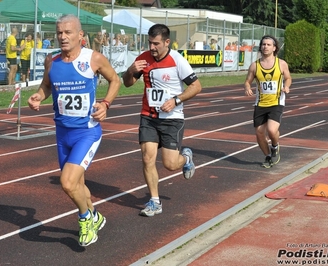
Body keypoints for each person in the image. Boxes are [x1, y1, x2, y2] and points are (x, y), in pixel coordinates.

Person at [27, 14, 120, 246]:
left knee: (67, 182)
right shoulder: (52, 61)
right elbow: (47, 85)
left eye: (68, 32)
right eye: (59, 32)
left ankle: (85, 219)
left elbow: (115, 80)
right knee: (77, 186)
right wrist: (39, 96)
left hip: (86, 132)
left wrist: (105, 104)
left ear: (80, 36)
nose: (62, 37)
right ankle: (96, 216)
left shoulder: (94, 59)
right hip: (62, 133)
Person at [122, 24, 202, 217]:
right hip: (148, 116)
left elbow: (196, 87)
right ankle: (154, 201)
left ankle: (186, 158)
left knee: (170, 164)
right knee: (147, 157)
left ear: (167, 42)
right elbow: (127, 83)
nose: (152, 47)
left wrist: (175, 100)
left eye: (156, 43)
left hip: (171, 118)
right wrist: (131, 70)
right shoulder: (143, 59)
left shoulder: (178, 61)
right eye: (150, 43)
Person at [244, 35, 292, 168]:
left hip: (276, 102)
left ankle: (275, 146)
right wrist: (247, 88)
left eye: (268, 45)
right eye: (263, 44)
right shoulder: (255, 66)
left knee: (271, 130)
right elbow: (247, 81)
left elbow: (288, 78)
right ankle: (268, 156)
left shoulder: (281, 64)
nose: (265, 47)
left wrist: (286, 86)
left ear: (274, 48)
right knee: (259, 132)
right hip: (260, 103)